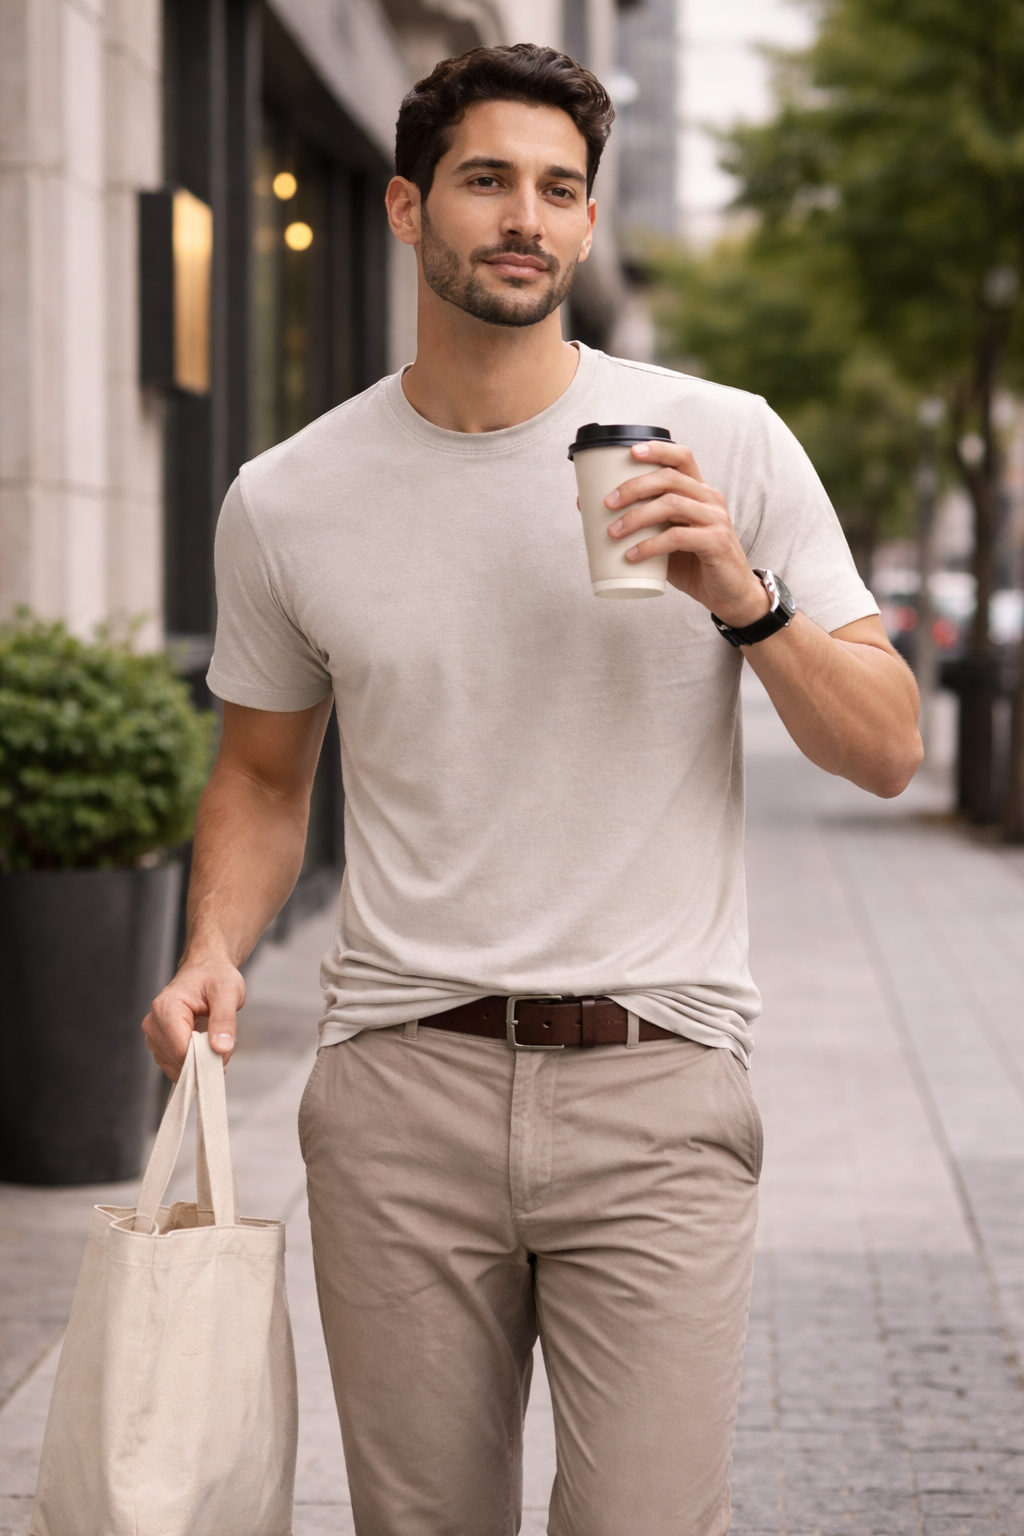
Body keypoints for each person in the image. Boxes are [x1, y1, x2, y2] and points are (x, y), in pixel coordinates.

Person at [143, 43, 922, 1536]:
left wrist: (743, 599)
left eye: (561, 191)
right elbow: (261, 775)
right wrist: (211, 951)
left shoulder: (722, 440)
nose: (526, 218)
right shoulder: (287, 497)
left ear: (587, 221)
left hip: (657, 1082)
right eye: (488, 180)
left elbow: (887, 749)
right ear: (404, 208)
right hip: (399, 1091)